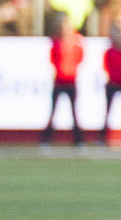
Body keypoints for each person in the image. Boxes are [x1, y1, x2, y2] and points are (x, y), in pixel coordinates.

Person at [40, 13, 85, 148]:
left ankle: (78, 139)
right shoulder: (56, 42)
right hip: (59, 81)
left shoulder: (76, 41)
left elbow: (80, 57)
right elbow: (53, 58)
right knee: (53, 111)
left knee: (74, 112)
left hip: (71, 81)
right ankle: (46, 139)